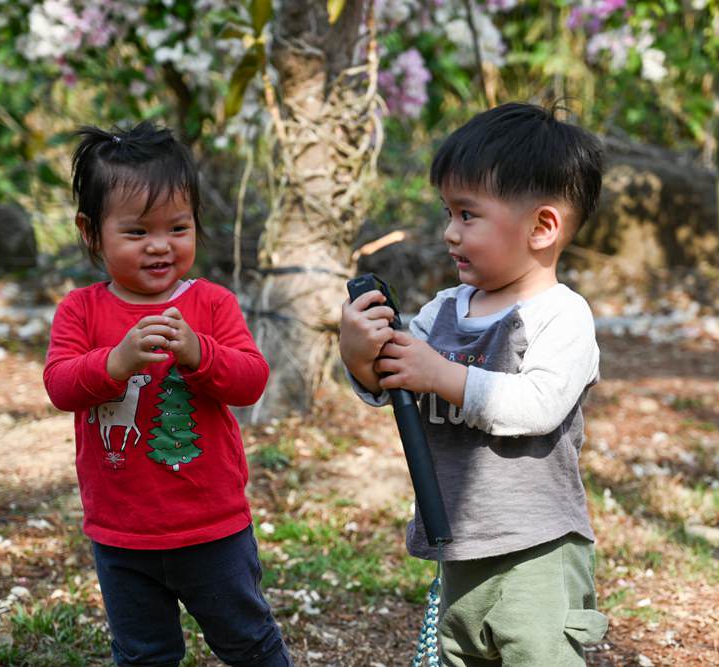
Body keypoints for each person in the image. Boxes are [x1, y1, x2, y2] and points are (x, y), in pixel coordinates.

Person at [339, 102, 609, 666]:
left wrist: (444, 374)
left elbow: (536, 406)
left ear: (542, 227)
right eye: (448, 212)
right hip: (459, 541)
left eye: (468, 215)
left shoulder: (562, 316)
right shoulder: (442, 311)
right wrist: (361, 355)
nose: (449, 233)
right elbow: (396, 383)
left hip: (535, 549)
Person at [43, 120, 292, 667]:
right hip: (121, 531)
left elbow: (251, 379)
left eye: (177, 228)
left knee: (246, 641)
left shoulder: (211, 304)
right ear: (91, 232)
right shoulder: (81, 310)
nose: (160, 246)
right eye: (136, 233)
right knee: (143, 653)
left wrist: (200, 353)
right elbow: (60, 385)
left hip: (212, 525)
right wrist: (116, 362)